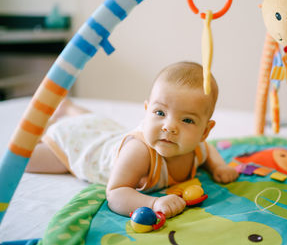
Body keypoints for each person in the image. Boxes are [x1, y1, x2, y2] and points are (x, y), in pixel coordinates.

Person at [26, 61, 238, 218]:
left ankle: (70, 108)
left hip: (103, 130)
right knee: (28, 160)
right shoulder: (140, 152)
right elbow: (116, 193)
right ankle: (52, 123)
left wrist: (219, 166)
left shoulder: (197, 148)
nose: (169, 127)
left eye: (187, 120)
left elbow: (208, 151)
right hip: (81, 146)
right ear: (146, 111)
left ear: (204, 132)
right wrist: (153, 202)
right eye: (160, 113)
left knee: (98, 124)